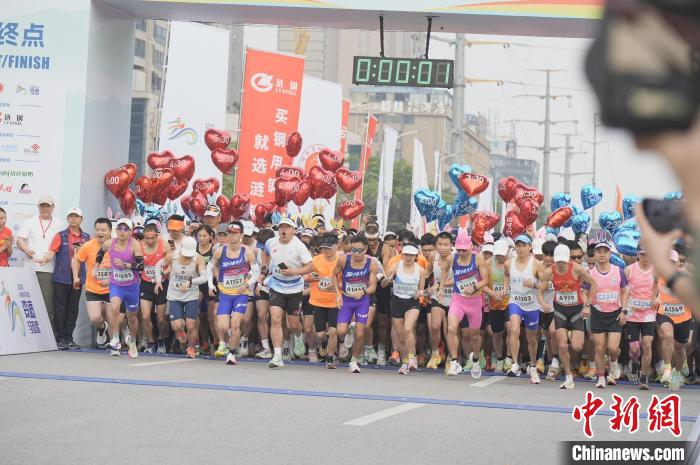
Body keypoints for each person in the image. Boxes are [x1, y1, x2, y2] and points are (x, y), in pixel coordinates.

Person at [537, 244, 596, 390]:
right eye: (559, 261)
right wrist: (543, 303)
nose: (561, 264)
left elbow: (593, 283)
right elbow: (539, 291)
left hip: (576, 311)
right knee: (562, 345)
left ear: (567, 259)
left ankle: (570, 333)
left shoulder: (577, 268)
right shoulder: (549, 272)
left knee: (577, 346)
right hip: (560, 311)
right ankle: (569, 377)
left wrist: (588, 304)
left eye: (564, 261)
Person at [258, 217, 313, 368]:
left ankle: (298, 336)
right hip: (276, 285)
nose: (284, 230)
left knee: (293, 324)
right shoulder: (271, 242)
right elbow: (265, 252)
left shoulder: (299, 246)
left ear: (293, 230)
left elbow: (311, 266)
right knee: (275, 318)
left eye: (287, 227)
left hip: (295, 288)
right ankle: (277, 356)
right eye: (281, 227)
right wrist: (264, 270)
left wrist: (294, 272)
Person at [34, 207, 90, 349]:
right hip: (61, 277)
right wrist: (44, 259)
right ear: (67, 219)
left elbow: (93, 256)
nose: (73, 219)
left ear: (81, 219)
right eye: (70, 216)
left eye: (76, 216)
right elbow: (52, 251)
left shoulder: (87, 238)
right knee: (60, 309)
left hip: (77, 279)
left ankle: (69, 338)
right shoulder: (61, 236)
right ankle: (60, 339)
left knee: (73, 309)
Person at [442, 230, 489, 378]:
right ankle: (454, 361)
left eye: (464, 249)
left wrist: (474, 287)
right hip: (458, 300)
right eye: (459, 249)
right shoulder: (452, 258)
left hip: (475, 302)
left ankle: (475, 359)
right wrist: (442, 287)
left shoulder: (478, 258)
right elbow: (444, 270)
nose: (462, 252)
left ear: (470, 247)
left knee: (475, 335)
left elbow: (485, 280)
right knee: (451, 329)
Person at [207, 221, 256, 365]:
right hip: (225, 294)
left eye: (235, 233)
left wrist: (247, 283)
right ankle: (232, 341)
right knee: (223, 326)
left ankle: (231, 354)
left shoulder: (247, 251)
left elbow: (256, 270)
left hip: (241, 294)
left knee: (235, 324)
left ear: (241, 235)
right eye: (229, 233)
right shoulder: (220, 251)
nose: (231, 236)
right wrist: (210, 285)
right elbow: (209, 267)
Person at [16, 195, 65, 332]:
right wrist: (27, 250)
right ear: (38, 207)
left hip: (48, 269)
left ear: (53, 207)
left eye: (47, 206)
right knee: (27, 303)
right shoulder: (30, 222)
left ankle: (48, 336)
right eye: (42, 205)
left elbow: (61, 245)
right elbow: (20, 239)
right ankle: (27, 334)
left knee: (47, 305)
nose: (45, 208)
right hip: (29, 268)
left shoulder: (60, 224)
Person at [505, 234, 548, 383]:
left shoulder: (536, 264)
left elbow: (545, 284)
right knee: (514, 329)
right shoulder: (509, 263)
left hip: (532, 305)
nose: (521, 248)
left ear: (530, 247)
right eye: (518, 245)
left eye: (524, 245)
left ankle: (533, 364)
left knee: (532, 339)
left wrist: (535, 285)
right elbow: (506, 275)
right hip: (515, 302)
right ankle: (515, 364)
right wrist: (506, 288)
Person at [155, 236, 207, 359]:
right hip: (175, 295)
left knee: (191, 325)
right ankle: (180, 332)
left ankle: (191, 348)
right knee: (176, 325)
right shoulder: (173, 255)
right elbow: (158, 265)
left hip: (191, 296)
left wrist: (190, 282)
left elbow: (204, 277)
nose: (187, 256)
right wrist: (158, 281)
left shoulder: (198, 259)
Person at [99, 218, 144, 357]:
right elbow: (100, 253)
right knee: (114, 308)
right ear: (116, 230)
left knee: (132, 317)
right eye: (120, 229)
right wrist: (95, 268)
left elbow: (141, 266)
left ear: (131, 232)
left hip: (132, 286)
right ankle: (115, 339)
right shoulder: (109, 243)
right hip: (116, 283)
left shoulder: (135, 245)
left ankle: (133, 341)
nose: (122, 232)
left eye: (126, 229)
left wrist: (126, 265)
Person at [334, 233, 378, 373]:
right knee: (340, 331)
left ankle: (354, 361)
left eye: (359, 250)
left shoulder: (372, 262)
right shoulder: (343, 259)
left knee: (360, 333)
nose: (356, 253)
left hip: (362, 301)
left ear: (366, 249)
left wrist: (363, 292)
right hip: (346, 300)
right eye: (353, 250)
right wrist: (337, 294)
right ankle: (349, 330)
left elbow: (373, 286)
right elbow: (333, 275)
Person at [381, 242, 426, 374]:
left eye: (411, 256)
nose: (408, 258)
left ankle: (412, 357)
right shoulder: (395, 267)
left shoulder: (420, 270)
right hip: (397, 301)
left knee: (408, 328)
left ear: (416, 256)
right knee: (401, 336)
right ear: (402, 255)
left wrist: (420, 293)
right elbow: (383, 284)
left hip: (412, 302)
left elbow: (421, 290)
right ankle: (405, 362)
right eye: (406, 255)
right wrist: (388, 279)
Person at [589, 240, 628, 388]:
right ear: (595, 254)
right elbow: (585, 292)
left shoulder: (619, 271)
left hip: (615, 314)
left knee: (612, 348)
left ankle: (613, 361)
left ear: (610, 254)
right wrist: (587, 305)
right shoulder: (590, 273)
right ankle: (600, 377)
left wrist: (624, 310)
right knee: (599, 348)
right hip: (598, 313)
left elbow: (625, 291)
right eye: (599, 251)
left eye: (605, 251)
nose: (602, 254)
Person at [656, 250, 694, 391]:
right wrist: (654, 298)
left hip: (684, 316)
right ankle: (667, 368)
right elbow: (654, 286)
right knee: (667, 335)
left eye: (673, 262)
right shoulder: (659, 273)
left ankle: (677, 372)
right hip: (665, 312)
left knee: (680, 348)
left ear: (678, 263)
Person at [72, 218, 112, 349]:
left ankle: (115, 342)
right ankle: (102, 328)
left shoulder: (117, 246)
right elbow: (76, 260)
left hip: (112, 289)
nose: (100, 233)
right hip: (93, 289)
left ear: (110, 231)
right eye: (97, 230)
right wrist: (76, 276)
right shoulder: (88, 245)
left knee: (114, 317)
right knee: (95, 318)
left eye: (103, 230)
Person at [622, 246, 658, 389]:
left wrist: (656, 298)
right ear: (637, 254)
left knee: (647, 343)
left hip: (649, 313)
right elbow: (623, 291)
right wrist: (624, 310)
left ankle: (643, 377)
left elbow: (660, 287)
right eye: (642, 254)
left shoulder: (656, 270)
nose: (645, 258)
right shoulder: (629, 270)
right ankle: (635, 362)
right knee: (635, 348)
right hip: (632, 313)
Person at [309, 233, 340, 368]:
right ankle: (323, 342)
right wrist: (311, 277)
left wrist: (336, 286)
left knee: (333, 331)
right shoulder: (316, 260)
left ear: (336, 247)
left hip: (335, 302)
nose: (326, 251)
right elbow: (305, 276)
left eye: (329, 248)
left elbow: (347, 281)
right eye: (324, 248)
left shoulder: (341, 260)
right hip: (318, 301)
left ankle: (330, 358)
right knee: (320, 334)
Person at [139, 223, 169, 354]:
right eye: (147, 238)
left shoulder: (165, 245)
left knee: (161, 318)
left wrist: (161, 274)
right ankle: (151, 342)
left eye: (152, 238)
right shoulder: (139, 246)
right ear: (144, 237)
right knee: (145, 316)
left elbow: (172, 264)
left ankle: (162, 339)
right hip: (146, 283)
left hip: (162, 283)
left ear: (157, 236)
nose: (150, 241)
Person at [426, 231, 454, 369]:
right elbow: (427, 272)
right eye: (440, 244)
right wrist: (422, 288)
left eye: (446, 245)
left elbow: (458, 279)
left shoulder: (456, 258)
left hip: (454, 298)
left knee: (450, 330)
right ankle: (435, 353)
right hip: (438, 297)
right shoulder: (433, 256)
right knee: (434, 326)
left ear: (451, 245)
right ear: (435, 245)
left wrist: (440, 285)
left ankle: (451, 357)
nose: (442, 247)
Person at [483, 239, 510, 373]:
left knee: (512, 329)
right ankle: (499, 358)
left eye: (502, 254)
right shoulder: (488, 264)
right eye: (497, 254)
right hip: (495, 304)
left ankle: (510, 359)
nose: (499, 256)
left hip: (511, 302)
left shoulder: (513, 262)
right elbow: (483, 284)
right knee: (497, 333)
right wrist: (492, 294)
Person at [253, 228, 275, 359]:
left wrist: (263, 282)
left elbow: (276, 273)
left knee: (277, 318)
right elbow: (258, 270)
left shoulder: (278, 253)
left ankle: (283, 347)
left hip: (276, 287)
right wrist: (257, 283)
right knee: (261, 315)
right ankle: (266, 348)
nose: (262, 248)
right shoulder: (258, 251)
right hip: (261, 287)